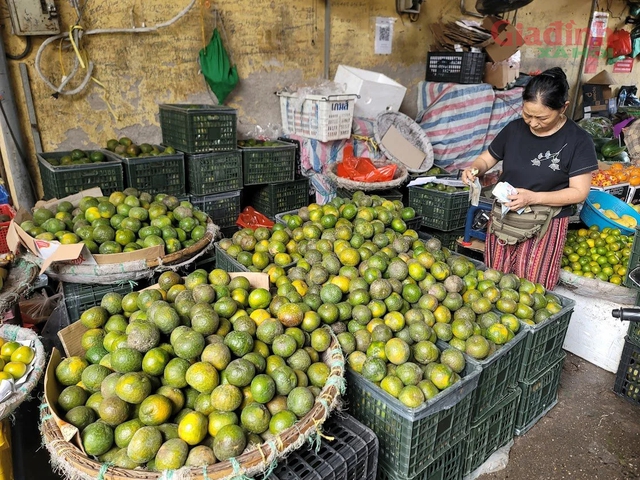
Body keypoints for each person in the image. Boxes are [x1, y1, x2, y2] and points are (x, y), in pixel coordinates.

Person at [461, 67, 598, 290]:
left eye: (541, 118)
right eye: (527, 114)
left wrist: (532, 198)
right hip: (505, 218)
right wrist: (474, 169)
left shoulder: (578, 141)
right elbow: (487, 160)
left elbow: (578, 192)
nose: (532, 123)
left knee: (532, 290)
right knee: (495, 284)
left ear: (563, 107)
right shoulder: (514, 129)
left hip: (545, 223)